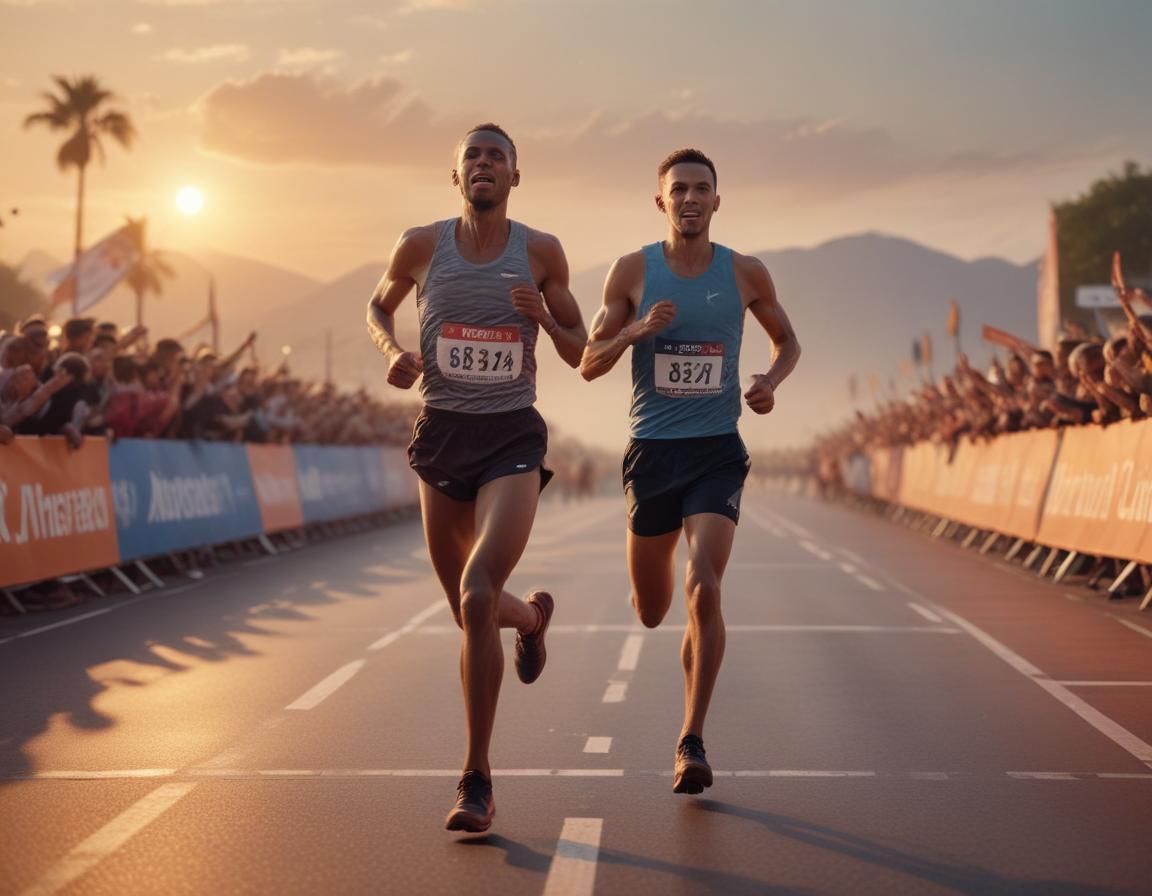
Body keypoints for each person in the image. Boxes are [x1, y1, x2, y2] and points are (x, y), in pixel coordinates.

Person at [366, 123, 587, 831]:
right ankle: (532, 619)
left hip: (511, 437)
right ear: (455, 178)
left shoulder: (542, 251)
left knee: (475, 589)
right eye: (473, 156)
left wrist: (543, 323)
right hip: (442, 434)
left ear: (516, 176)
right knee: (474, 611)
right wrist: (390, 348)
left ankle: (477, 778)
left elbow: (583, 348)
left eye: (498, 155)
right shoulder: (421, 245)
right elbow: (379, 303)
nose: (484, 163)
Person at [580, 148, 800, 794]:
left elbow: (788, 341)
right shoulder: (631, 271)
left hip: (716, 452)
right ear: (661, 202)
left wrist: (769, 381)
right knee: (654, 610)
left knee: (704, 587)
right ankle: (668, 617)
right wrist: (635, 333)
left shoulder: (745, 273)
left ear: (717, 200)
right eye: (678, 189)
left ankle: (692, 739)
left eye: (702, 188)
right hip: (652, 453)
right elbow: (588, 361)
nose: (690, 198)